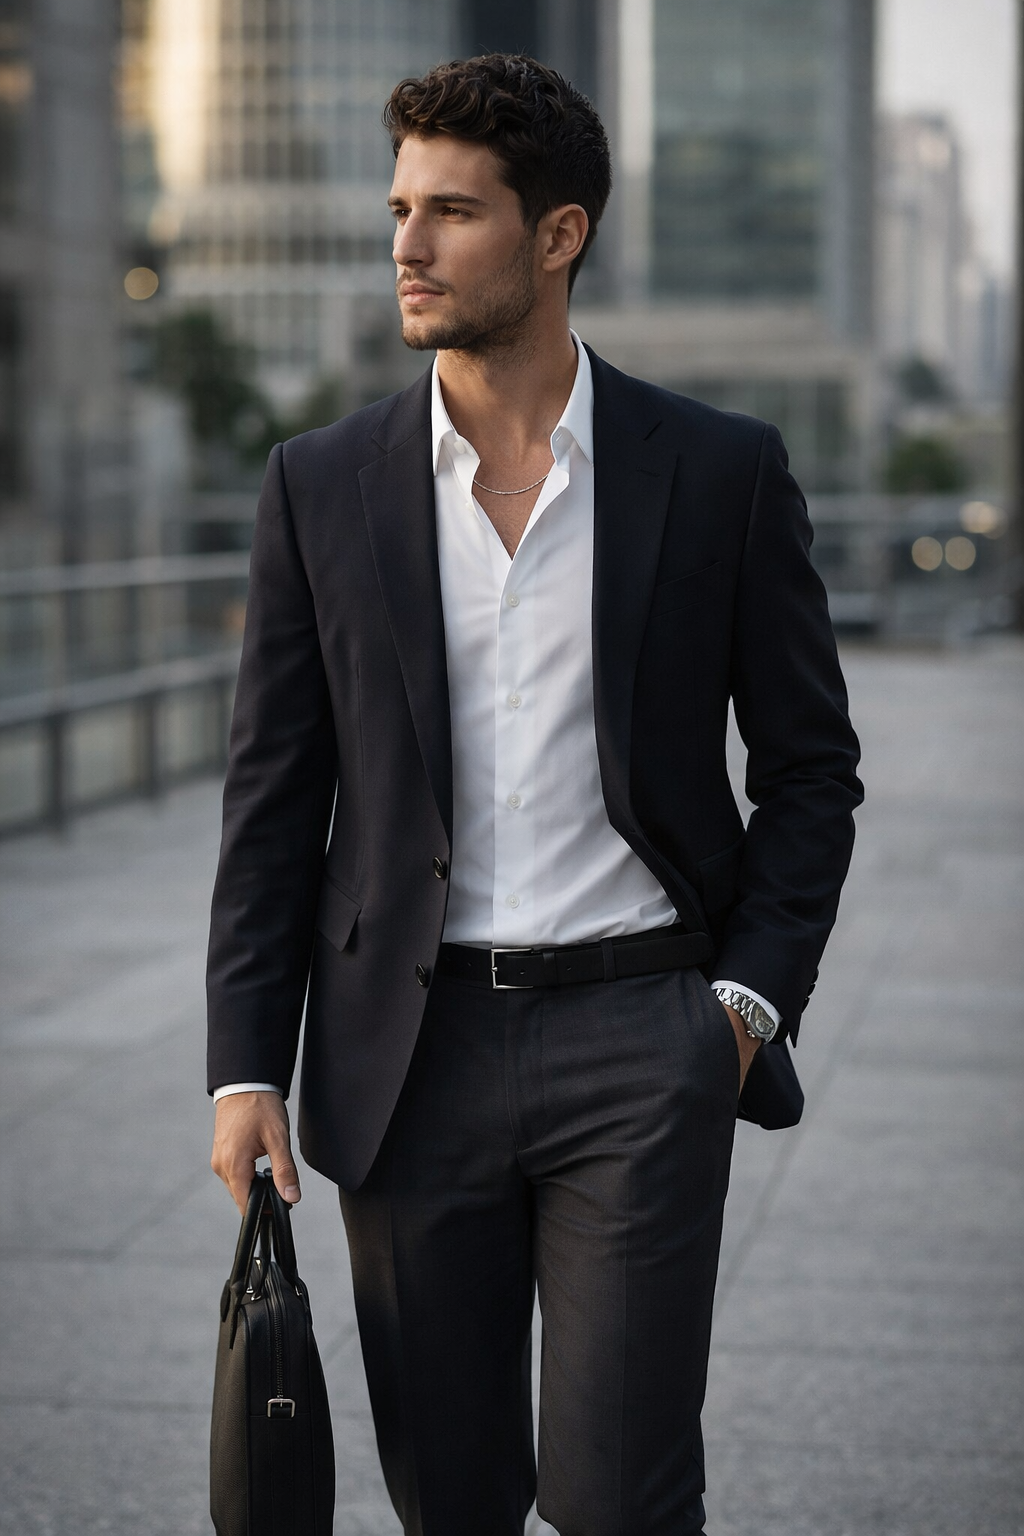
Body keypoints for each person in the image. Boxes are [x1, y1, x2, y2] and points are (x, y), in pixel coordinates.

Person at [208, 53, 862, 1536]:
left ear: (558, 235)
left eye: (452, 212)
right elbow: (271, 797)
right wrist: (245, 1064)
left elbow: (813, 768)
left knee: (623, 1497)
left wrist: (744, 1007)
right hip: (405, 1054)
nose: (407, 247)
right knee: (451, 1497)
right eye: (398, 209)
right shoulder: (323, 483)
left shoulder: (717, 470)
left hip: (645, 1042)